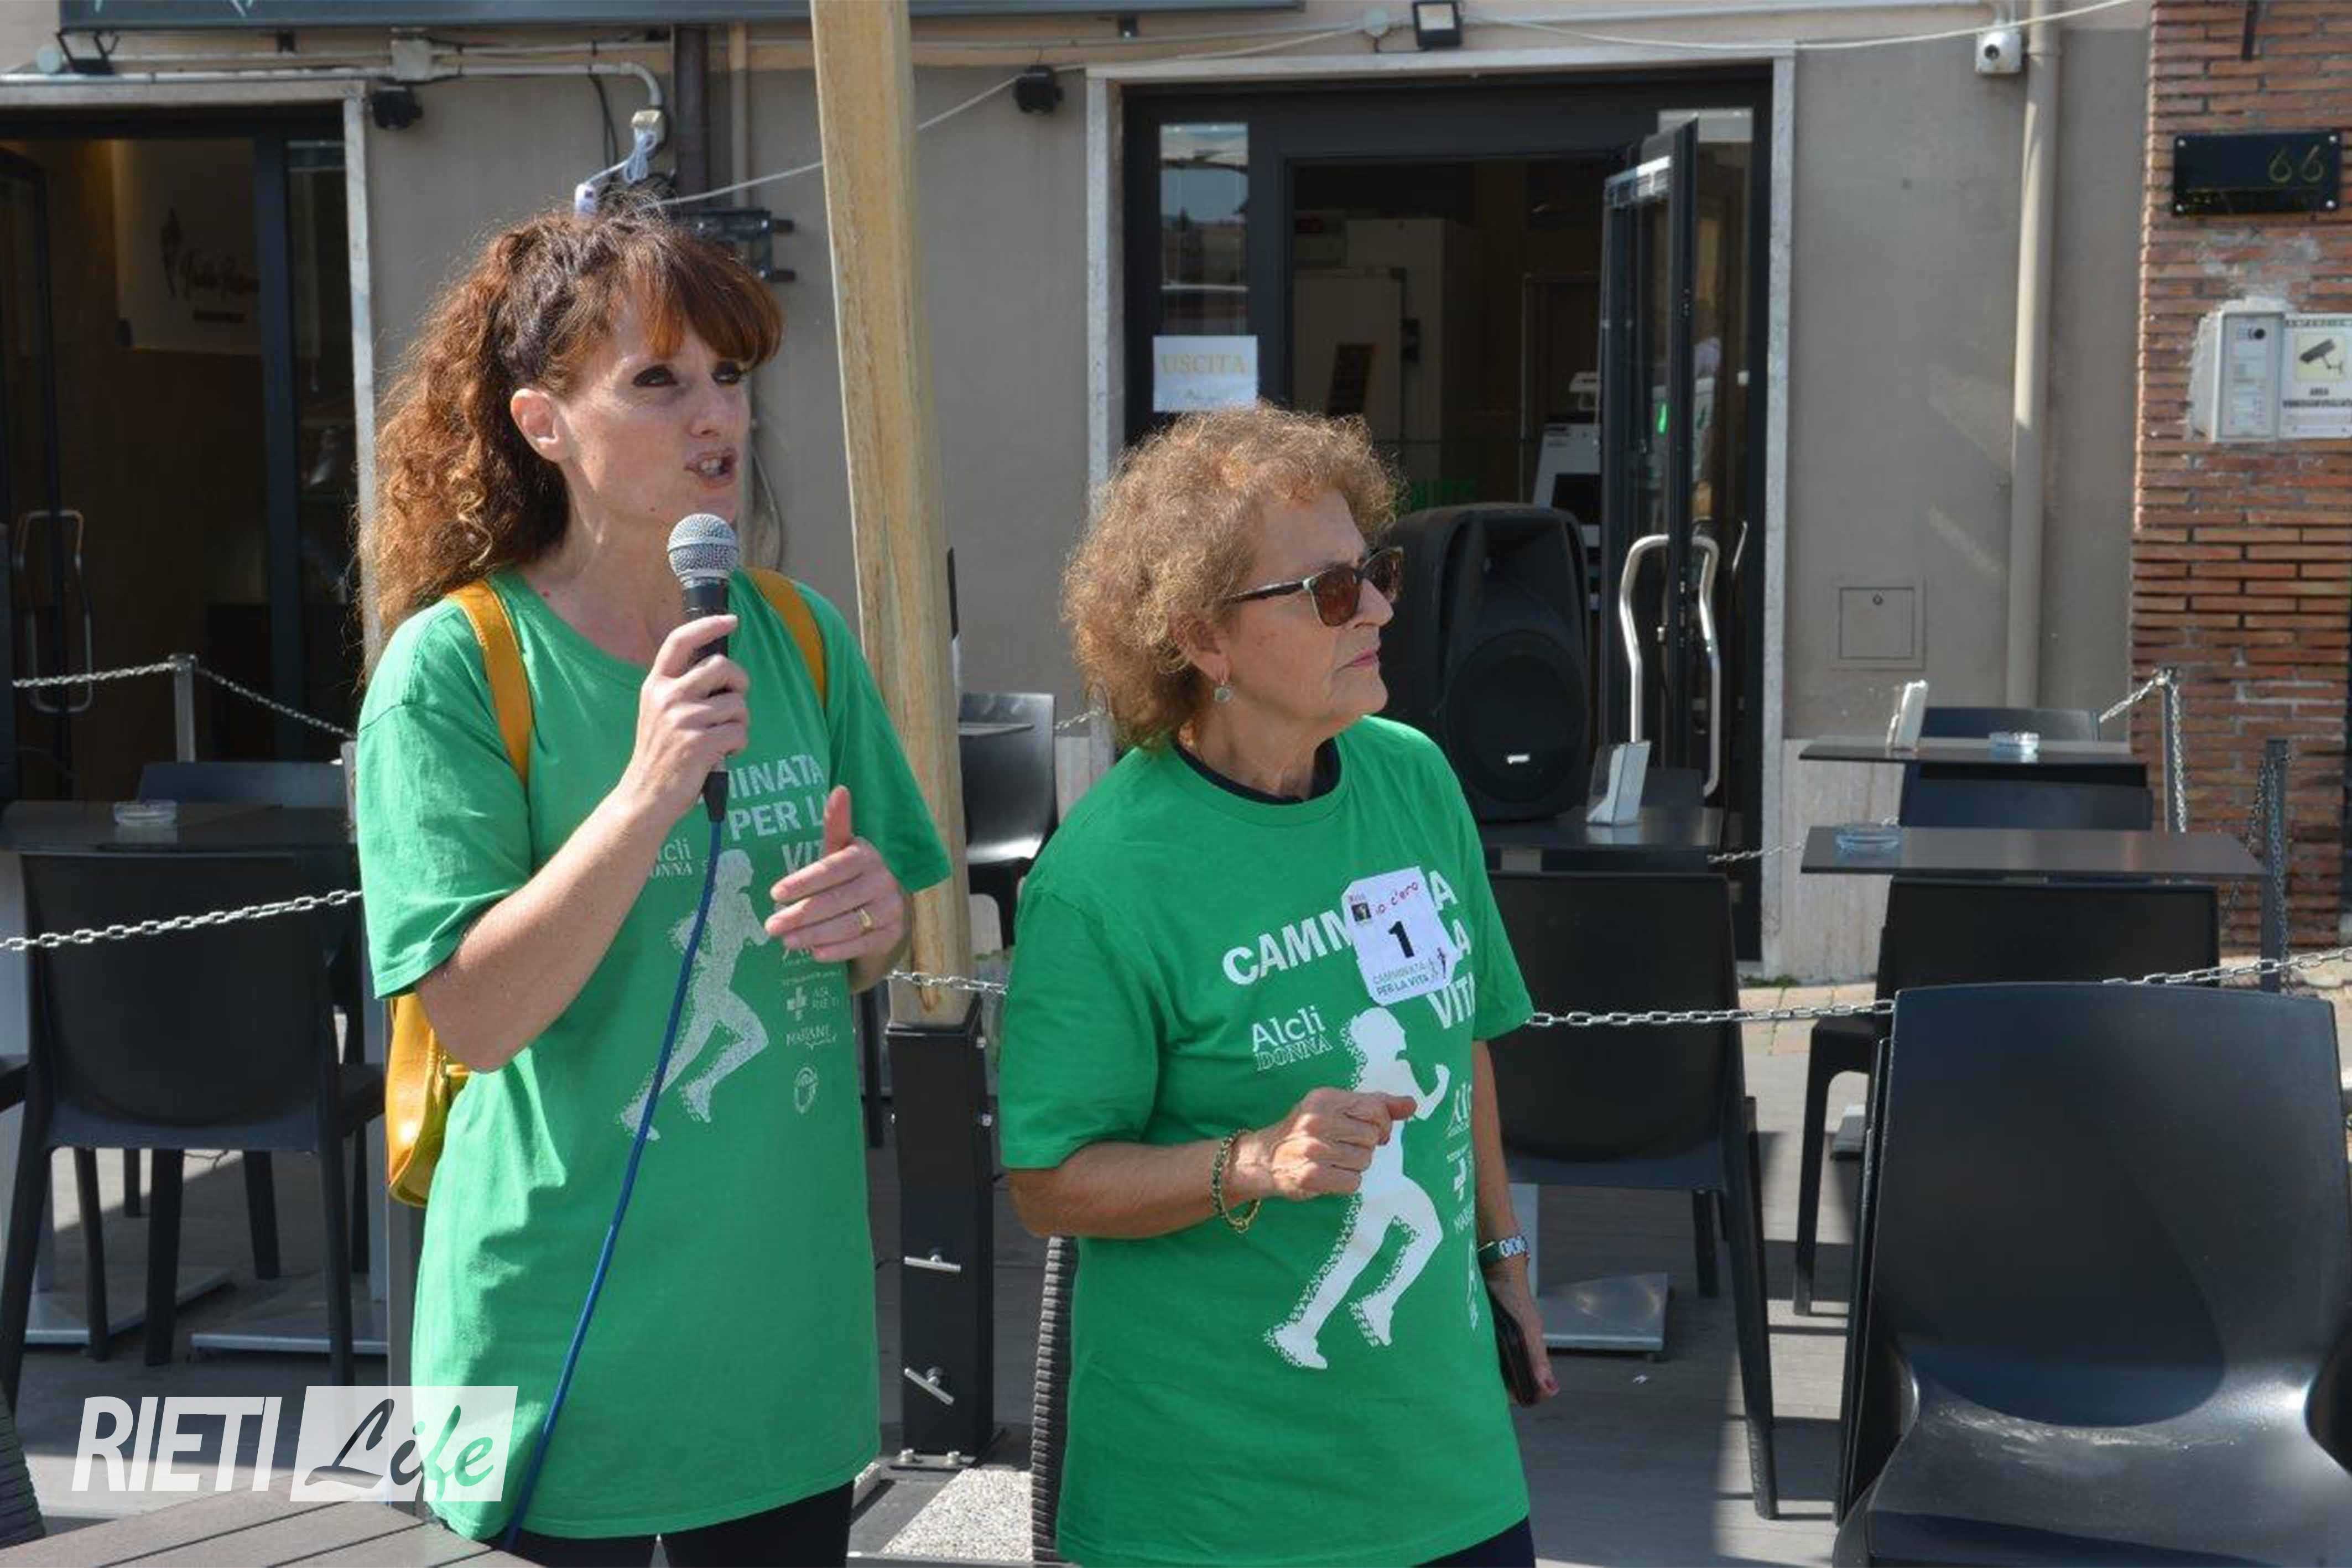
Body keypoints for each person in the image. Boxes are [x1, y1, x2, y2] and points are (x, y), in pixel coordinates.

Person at [353, 202, 950, 1567]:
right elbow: (476, 1018)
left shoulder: (796, 632)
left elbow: (884, 931)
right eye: (659, 379)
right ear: (543, 422)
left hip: (781, 1344)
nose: (718, 417)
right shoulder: (456, 667)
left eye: (729, 375)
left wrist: (873, 917)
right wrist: (644, 791)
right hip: (562, 1348)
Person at [997, 404, 1558, 1568]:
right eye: (1332, 592)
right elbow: (1050, 1183)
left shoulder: (1414, 780)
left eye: (1375, 573)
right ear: (1204, 637)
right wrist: (1252, 1161)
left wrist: (1503, 1259)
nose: (1382, 610)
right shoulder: (1105, 877)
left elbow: (1463, 1045)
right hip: (1215, 1506)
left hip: (1445, 1468)